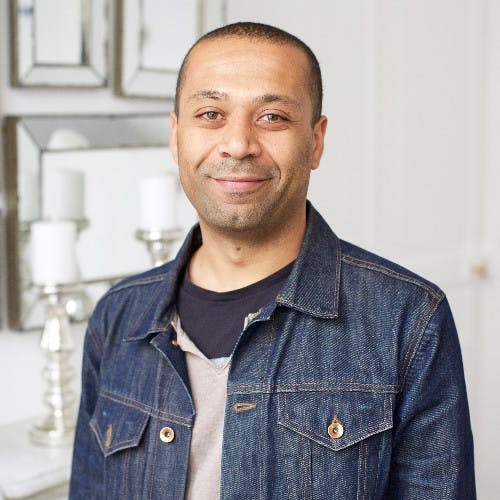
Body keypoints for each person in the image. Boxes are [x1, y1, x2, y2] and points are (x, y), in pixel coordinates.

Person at [69, 22, 475, 499]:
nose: (238, 143)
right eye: (211, 114)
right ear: (176, 137)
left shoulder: (409, 319)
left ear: (316, 140)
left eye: (272, 117)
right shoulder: (117, 316)